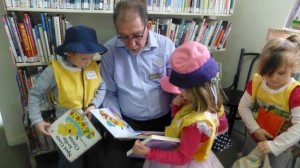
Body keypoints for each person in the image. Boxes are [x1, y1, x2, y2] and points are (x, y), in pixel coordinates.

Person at [100, 0, 175, 167]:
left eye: (136, 35)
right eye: (124, 37)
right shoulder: (109, 51)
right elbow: (109, 93)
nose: (132, 44)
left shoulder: (166, 46)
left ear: (148, 25)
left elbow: (176, 87)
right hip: (127, 124)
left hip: (163, 123)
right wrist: (117, 123)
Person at [132, 41, 225, 168]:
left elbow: (182, 158)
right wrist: (177, 107)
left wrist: (149, 152)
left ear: (195, 91)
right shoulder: (202, 104)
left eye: (181, 88)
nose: (179, 92)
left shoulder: (195, 125)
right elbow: (179, 122)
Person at [27, 25, 107, 168]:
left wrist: (94, 104)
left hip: (91, 123)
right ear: (69, 53)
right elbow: (34, 94)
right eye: (84, 58)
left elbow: (102, 87)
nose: (89, 62)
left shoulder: (93, 66)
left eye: (92, 57)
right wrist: (37, 120)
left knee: (93, 158)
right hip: (67, 127)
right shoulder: (54, 71)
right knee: (71, 162)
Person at [237, 37, 300, 168]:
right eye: (268, 73)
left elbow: (298, 127)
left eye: (281, 73)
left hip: (280, 146)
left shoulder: (295, 93)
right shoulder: (256, 83)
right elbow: (243, 107)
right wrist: (255, 129)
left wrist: (274, 145)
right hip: (254, 137)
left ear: (293, 67)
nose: (274, 78)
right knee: (247, 163)